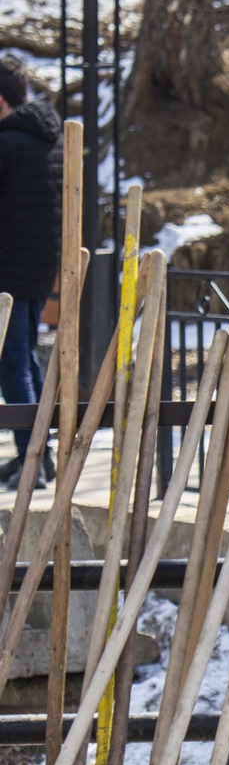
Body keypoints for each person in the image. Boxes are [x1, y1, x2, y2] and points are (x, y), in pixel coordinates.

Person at [0, 55, 62, 489]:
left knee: (12, 364)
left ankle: (32, 459)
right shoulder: (47, 139)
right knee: (28, 360)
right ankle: (39, 454)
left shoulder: (7, 144)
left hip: (10, 269)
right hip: (39, 266)